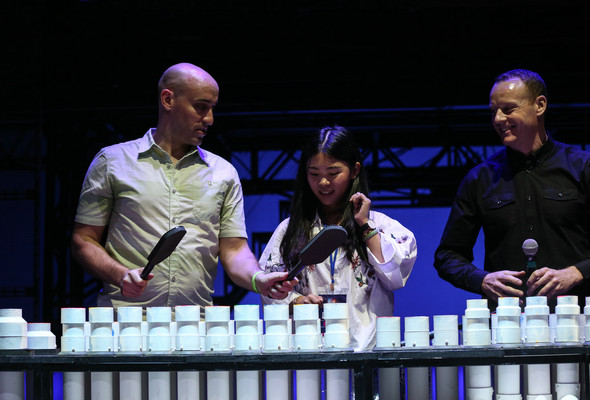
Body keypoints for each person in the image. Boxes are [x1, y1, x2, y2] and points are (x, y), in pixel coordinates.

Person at [71, 62, 296, 310]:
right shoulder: (112, 162)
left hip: (194, 325)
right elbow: (83, 239)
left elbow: (234, 250)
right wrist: (120, 274)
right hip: (126, 322)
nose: (209, 119)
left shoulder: (223, 173)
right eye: (201, 107)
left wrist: (258, 279)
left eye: (212, 108)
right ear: (168, 100)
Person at [434, 68, 590, 310]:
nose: (498, 119)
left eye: (508, 109)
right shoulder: (480, 178)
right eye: (493, 112)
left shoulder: (586, 168)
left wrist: (576, 272)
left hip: (579, 320)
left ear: (540, 105)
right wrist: (482, 280)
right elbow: (447, 256)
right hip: (507, 323)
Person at [259, 126, 417, 351]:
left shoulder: (381, 226)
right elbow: (269, 287)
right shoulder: (289, 230)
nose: (323, 182)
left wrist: (365, 226)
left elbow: (396, 277)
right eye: (314, 174)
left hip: (368, 350)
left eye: (333, 173)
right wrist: (295, 301)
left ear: (354, 171)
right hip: (310, 352)